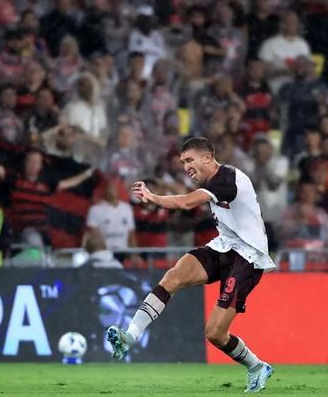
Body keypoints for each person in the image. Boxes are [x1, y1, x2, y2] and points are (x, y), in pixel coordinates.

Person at [106, 137, 276, 393]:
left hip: (249, 257)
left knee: (215, 334)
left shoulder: (227, 178)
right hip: (225, 246)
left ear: (208, 157)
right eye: (183, 162)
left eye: (189, 160)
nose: (186, 166)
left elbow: (186, 203)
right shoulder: (213, 183)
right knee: (173, 277)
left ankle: (256, 366)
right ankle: (130, 336)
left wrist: (152, 196)